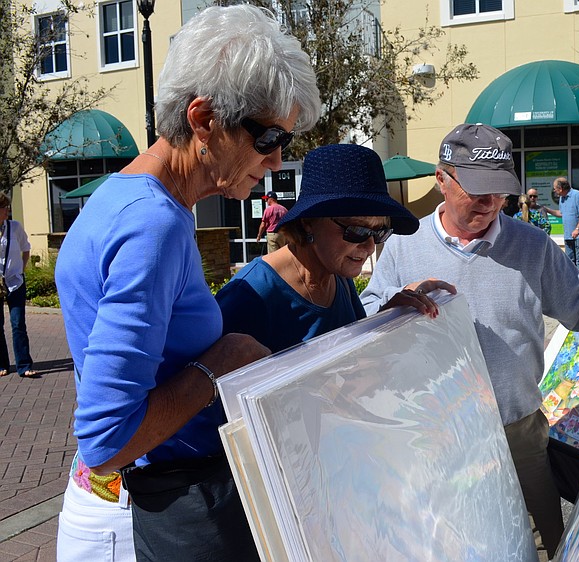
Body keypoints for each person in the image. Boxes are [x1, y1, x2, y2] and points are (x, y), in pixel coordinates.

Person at [53, 5, 321, 561]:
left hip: (138, 504)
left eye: (284, 143)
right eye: (269, 137)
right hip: (148, 513)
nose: (275, 161)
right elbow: (106, 443)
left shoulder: (122, 198)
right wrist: (218, 365)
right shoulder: (154, 224)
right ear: (203, 120)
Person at [360, 123, 579, 559]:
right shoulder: (402, 246)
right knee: (447, 543)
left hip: (516, 431)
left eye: (500, 191)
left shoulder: (532, 245)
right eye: (478, 189)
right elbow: (367, 318)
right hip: (433, 435)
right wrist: (393, 307)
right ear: (442, 179)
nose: (490, 203)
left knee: (540, 544)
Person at [217, 143, 453, 353]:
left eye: (379, 232)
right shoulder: (250, 296)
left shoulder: (336, 274)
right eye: (357, 230)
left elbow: (353, 356)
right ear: (308, 222)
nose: (370, 246)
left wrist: (391, 314)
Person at [0, 193, 35, 378]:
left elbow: (26, 249)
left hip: (15, 282)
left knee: (18, 323)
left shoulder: (14, 228)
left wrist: (20, 269)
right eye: (4, 207)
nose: (8, 210)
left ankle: (24, 365)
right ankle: (1, 364)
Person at [546, 176, 579, 273]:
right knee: (569, 261)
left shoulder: (577, 195)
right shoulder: (562, 198)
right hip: (568, 235)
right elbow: (561, 213)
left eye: (555, 188)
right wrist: (547, 209)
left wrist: (577, 229)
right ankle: (572, 284)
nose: (554, 191)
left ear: (560, 188)